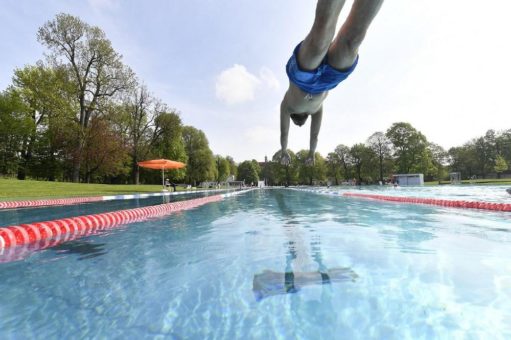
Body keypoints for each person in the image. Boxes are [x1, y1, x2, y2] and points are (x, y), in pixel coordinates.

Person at [280, 0, 384, 165]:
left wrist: (284, 150)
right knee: (352, 40)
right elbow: (314, 135)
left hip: (301, 78)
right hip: (328, 81)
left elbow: (284, 133)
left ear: (296, 118)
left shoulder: (287, 106)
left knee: (320, 38)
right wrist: (311, 153)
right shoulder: (317, 110)